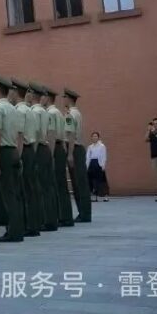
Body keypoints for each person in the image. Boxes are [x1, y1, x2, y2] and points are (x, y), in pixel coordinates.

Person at [0, 74, 25, 242]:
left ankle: (13, 231)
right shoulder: (14, 109)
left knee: (7, 194)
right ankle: (17, 228)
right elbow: (19, 135)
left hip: (3, 152)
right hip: (13, 151)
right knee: (14, 193)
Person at [14, 79, 42, 237]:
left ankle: (28, 225)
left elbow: (19, 135)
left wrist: (17, 157)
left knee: (24, 189)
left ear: (14, 91)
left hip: (23, 149)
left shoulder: (19, 110)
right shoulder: (30, 111)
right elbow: (37, 134)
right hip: (31, 149)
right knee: (32, 188)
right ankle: (34, 224)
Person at [46, 87, 73, 228]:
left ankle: (61, 216)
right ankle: (66, 216)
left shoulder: (50, 113)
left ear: (47, 98)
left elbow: (51, 134)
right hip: (60, 146)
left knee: (56, 183)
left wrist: (49, 154)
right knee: (61, 184)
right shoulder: (58, 113)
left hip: (55, 147)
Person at [34, 85, 60, 229]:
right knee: (48, 186)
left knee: (42, 187)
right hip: (46, 149)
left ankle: (46, 220)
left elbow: (39, 133)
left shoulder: (40, 112)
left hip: (40, 148)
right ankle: (51, 219)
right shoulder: (47, 112)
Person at [64, 88, 92, 222]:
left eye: (64, 97)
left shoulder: (70, 114)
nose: (63, 100)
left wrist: (69, 154)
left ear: (69, 99)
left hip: (74, 149)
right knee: (81, 182)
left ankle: (84, 214)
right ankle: (85, 213)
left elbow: (71, 135)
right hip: (79, 148)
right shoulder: (78, 113)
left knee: (78, 183)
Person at [85, 131, 109, 202]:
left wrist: (103, 165)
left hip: (99, 164)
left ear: (98, 137)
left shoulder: (102, 146)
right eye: (93, 136)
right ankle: (94, 197)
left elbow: (104, 156)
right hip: (92, 164)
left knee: (102, 180)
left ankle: (105, 197)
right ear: (91, 138)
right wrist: (86, 166)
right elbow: (88, 157)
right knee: (92, 180)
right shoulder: (90, 147)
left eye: (96, 136)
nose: (94, 137)